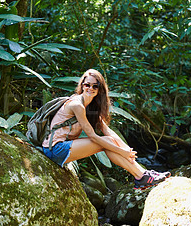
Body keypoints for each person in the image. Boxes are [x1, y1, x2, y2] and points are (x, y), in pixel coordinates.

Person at [42, 69, 170, 190]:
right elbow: (93, 136)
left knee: (109, 140)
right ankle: (142, 176)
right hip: (54, 149)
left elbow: (107, 130)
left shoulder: (90, 106)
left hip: (64, 148)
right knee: (105, 143)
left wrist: (127, 150)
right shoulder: (77, 105)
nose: (90, 88)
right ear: (82, 86)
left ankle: (143, 175)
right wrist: (121, 151)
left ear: (99, 89)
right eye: (87, 85)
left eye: (95, 86)